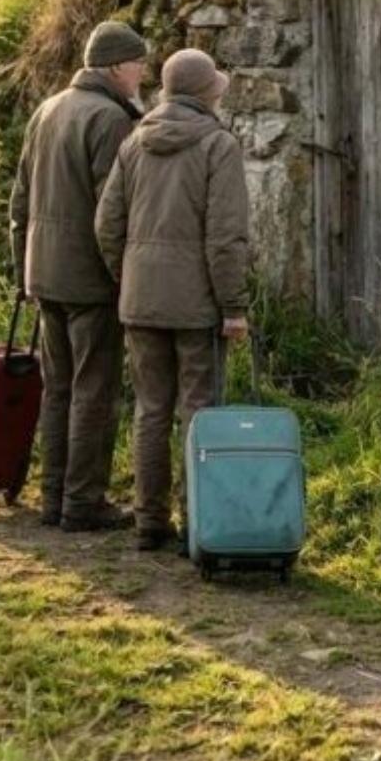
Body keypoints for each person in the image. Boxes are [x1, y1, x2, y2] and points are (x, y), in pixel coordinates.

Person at [95, 47, 250, 552]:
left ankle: (149, 523)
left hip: (140, 300)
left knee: (150, 410)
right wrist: (233, 307)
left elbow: (106, 225)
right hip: (197, 305)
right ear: (206, 93)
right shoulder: (217, 146)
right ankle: (197, 525)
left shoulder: (134, 143)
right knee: (198, 412)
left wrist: (130, 276)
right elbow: (225, 239)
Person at [10, 21, 147, 532]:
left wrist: (22, 270)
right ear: (114, 67)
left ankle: (53, 498)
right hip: (89, 279)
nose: (141, 73)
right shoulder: (109, 119)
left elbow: (19, 202)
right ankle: (83, 501)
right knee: (95, 388)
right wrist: (122, 277)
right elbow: (113, 214)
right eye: (137, 64)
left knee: (59, 388)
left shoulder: (48, 110)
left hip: (44, 274)